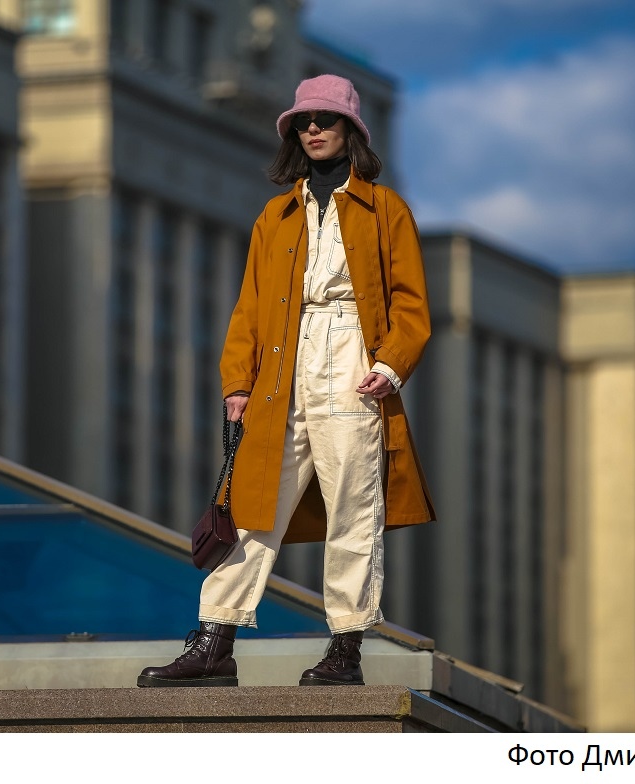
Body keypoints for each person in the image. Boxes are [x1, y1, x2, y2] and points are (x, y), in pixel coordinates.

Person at [138, 74, 435, 688]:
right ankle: (214, 640)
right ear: (293, 134)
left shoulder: (386, 210)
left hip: (352, 368)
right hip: (282, 371)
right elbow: (248, 307)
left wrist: (386, 368)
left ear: (351, 129)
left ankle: (345, 650)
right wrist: (236, 384)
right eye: (304, 121)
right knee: (251, 507)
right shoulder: (274, 216)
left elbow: (411, 304)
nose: (315, 129)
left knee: (354, 511)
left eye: (326, 119)